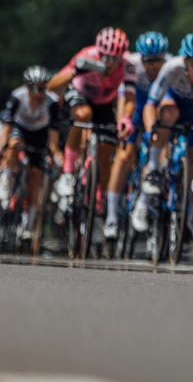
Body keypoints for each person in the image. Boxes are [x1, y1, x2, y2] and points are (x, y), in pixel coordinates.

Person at [131, 32, 193, 239]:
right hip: (173, 104)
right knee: (167, 114)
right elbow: (151, 104)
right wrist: (152, 131)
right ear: (185, 60)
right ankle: (149, 180)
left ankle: (189, 215)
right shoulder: (172, 67)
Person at [47, 27, 133, 218]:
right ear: (99, 52)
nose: (111, 64)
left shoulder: (127, 64)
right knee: (83, 115)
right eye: (106, 58)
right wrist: (76, 71)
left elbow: (129, 96)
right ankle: (69, 172)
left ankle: (98, 197)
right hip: (80, 95)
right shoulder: (87, 55)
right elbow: (52, 86)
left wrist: (125, 118)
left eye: (115, 59)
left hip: (103, 103)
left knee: (106, 151)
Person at [103, 31, 169, 239]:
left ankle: (144, 199)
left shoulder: (170, 67)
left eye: (158, 60)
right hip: (136, 105)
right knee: (123, 156)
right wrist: (124, 122)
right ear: (141, 58)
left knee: (159, 151)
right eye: (148, 61)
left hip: (157, 106)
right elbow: (124, 97)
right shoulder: (131, 63)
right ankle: (111, 216)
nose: (153, 66)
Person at [0, 66, 63, 236]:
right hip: (20, 129)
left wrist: (53, 152)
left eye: (43, 87)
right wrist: (2, 147)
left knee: (35, 177)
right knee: (13, 145)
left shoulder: (52, 102)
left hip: (40, 134)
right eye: (35, 88)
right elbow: (7, 124)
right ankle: (8, 176)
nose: (39, 92)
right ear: (27, 87)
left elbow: (53, 131)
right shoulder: (17, 96)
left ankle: (30, 218)